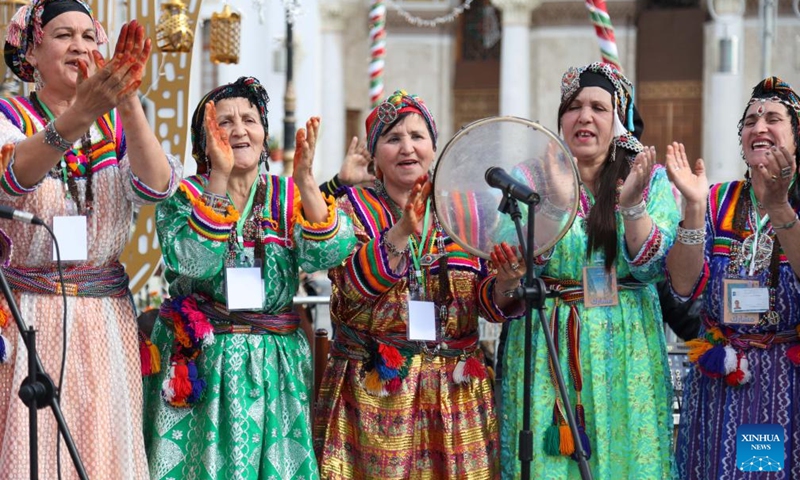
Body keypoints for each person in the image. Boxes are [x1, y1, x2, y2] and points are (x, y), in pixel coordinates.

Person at [141, 76, 357, 479]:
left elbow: (331, 252)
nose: (239, 129)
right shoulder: (183, 197)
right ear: (203, 139)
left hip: (274, 362)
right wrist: (219, 181)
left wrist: (307, 179)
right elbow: (192, 262)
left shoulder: (287, 195)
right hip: (201, 362)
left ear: (264, 133)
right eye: (224, 122)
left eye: (250, 119)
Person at [0, 0, 180, 477]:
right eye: (63, 35)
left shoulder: (117, 126)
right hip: (28, 313)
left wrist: (126, 102)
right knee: (35, 447)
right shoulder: (9, 116)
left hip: (104, 315)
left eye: (88, 35)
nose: (80, 45)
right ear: (31, 53)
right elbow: (15, 175)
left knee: (101, 449)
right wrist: (80, 112)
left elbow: (157, 185)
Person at [313, 89, 524, 479]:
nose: (407, 148)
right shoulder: (348, 209)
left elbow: (485, 301)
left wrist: (506, 283)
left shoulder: (465, 210)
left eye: (417, 136)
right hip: (376, 393)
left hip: (455, 393)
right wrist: (400, 233)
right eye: (393, 139)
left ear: (434, 145)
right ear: (374, 156)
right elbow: (350, 290)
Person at [499, 63, 680, 479]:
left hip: (627, 342)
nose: (585, 116)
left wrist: (632, 205)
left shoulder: (648, 178)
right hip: (549, 337)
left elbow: (651, 265)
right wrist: (557, 204)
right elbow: (521, 262)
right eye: (574, 107)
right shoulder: (529, 178)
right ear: (560, 119)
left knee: (627, 454)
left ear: (618, 120)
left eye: (599, 107)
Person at [668, 77, 800, 479]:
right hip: (718, 376)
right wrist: (692, 209)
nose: (759, 127)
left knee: (762, 472)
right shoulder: (717, 199)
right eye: (750, 120)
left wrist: (779, 207)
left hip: (781, 379)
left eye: (774, 118)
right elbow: (681, 285)